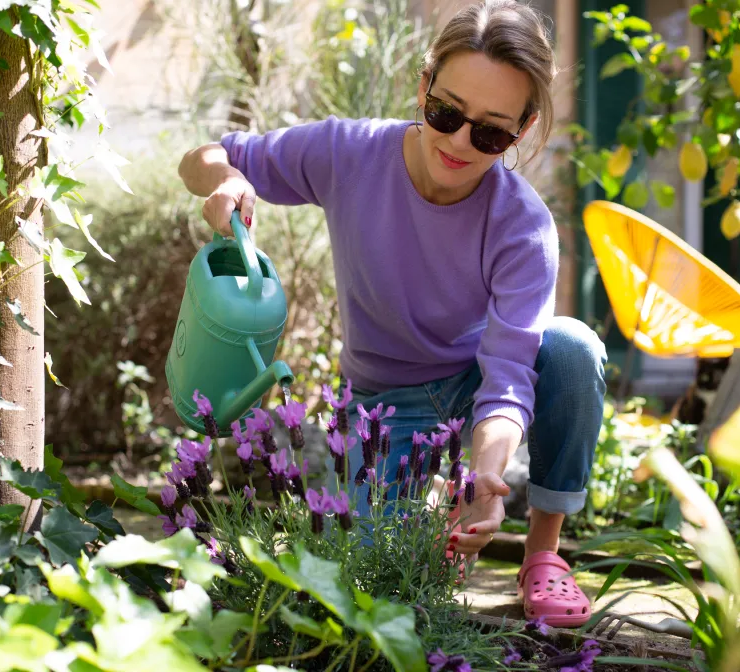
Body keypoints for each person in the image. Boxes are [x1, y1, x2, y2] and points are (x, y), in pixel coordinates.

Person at [177, 0, 607, 628]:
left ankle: (542, 553)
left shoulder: (521, 225)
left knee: (571, 346)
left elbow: (509, 376)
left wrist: (486, 482)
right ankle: (434, 535)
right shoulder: (349, 153)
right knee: (376, 587)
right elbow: (204, 157)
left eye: (490, 132)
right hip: (386, 402)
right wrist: (225, 181)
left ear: (523, 129)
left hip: (475, 384)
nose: (460, 142)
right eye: (446, 113)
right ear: (423, 86)